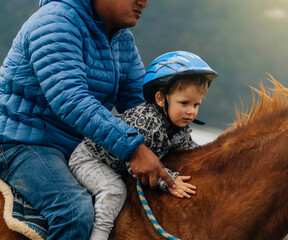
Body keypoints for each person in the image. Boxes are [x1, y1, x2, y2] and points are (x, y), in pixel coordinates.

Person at [0, 0, 176, 239]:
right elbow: (71, 99)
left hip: (76, 147)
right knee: (73, 213)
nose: (143, 2)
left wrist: (180, 147)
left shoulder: (121, 39)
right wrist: (134, 149)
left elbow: (139, 107)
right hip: (23, 140)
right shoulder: (55, 21)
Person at [68, 51, 218, 240]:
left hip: (116, 164)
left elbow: (189, 149)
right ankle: (98, 236)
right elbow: (144, 166)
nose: (190, 111)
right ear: (161, 99)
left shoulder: (178, 126)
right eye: (184, 103)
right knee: (114, 191)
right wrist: (170, 182)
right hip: (89, 159)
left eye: (196, 105)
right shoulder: (148, 124)